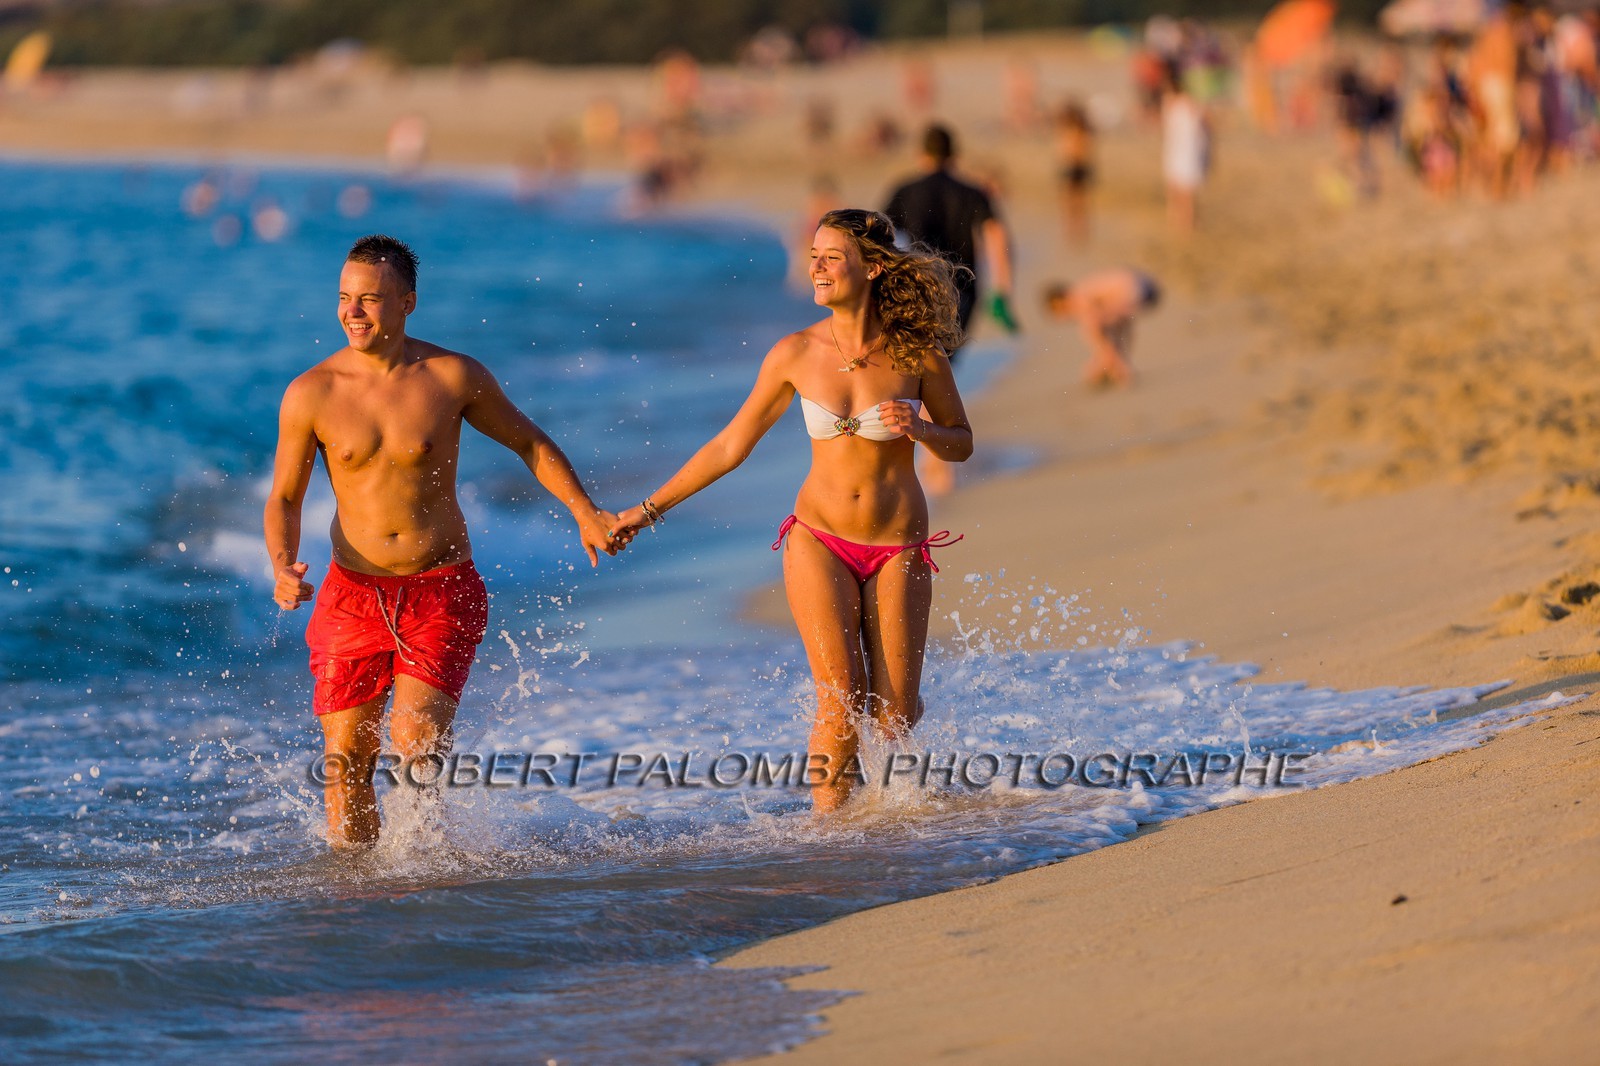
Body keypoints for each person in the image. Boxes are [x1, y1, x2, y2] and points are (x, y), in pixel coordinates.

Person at [264, 234, 624, 848]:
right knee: (346, 760)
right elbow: (285, 498)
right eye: (345, 298)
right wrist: (281, 566)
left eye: (370, 300)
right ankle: (357, 898)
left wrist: (585, 511)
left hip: (440, 587)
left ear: (407, 302)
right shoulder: (312, 393)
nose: (353, 311)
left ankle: (421, 878)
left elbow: (530, 443)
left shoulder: (452, 376)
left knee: (415, 744)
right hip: (352, 593)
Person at [609, 210, 972, 814]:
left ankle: (906, 827)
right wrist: (646, 509)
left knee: (896, 712)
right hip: (819, 541)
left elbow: (962, 441)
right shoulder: (795, 354)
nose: (816, 267)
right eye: (814, 255)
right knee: (839, 696)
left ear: (873, 267)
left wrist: (925, 428)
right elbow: (730, 445)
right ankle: (829, 836)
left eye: (832, 257)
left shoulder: (918, 354)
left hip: (898, 545)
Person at [884, 123, 1014, 493]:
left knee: (923, 368)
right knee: (941, 366)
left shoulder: (905, 190)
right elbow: (997, 237)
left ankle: (931, 460)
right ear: (954, 154)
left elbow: (882, 239)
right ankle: (935, 458)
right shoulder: (973, 191)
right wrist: (1003, 292)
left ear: (921, 153)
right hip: (964, 290)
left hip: (918, 289)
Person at [1043, 268, 1162, 388]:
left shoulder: (1079, 298)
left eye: (1059, 311)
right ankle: (1113, 365)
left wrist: (1106, 360)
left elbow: (1097, 330)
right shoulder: (1085, 289)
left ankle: (1117, 368)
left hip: (1135, 291)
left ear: (1060, 301)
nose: (1064, 317)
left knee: (1092, 326)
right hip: (1146, 285)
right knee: (1114, 324)